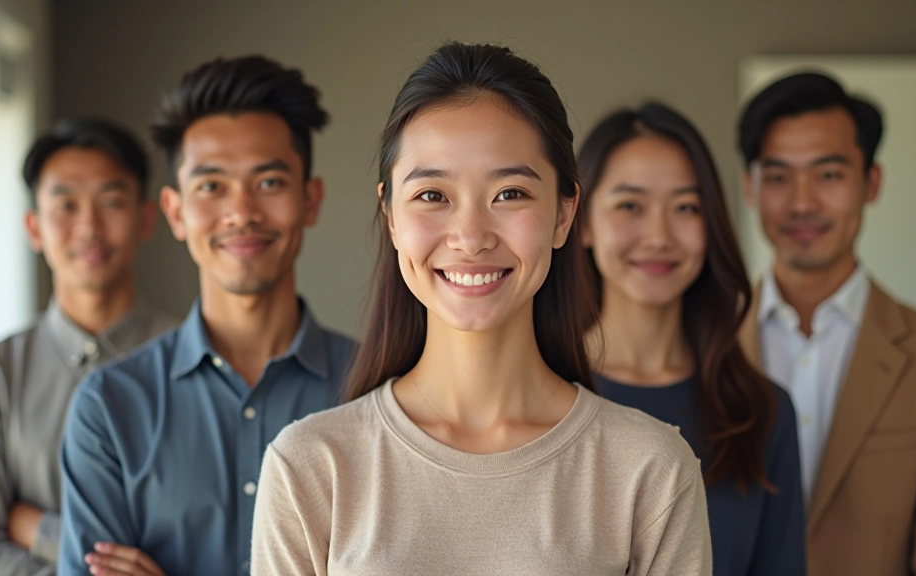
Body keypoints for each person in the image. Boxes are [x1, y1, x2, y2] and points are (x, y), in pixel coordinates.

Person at [250, 42, 712, 576]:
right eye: (432, 196)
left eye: (510, 193)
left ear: (564, 215)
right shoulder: (311, 466)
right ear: (391, 214)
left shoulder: (649, 468)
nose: (470, 238)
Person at [57, 56, 355, 576]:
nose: (241, 212)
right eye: (212, 187)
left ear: (310, 200)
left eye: (269, 183)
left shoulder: (377, 387)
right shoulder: (108, 410)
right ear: (175, 212)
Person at [737, 71, 916, 575]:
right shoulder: (703, 345)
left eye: (828, 175)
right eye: (778, 176)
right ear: (750, 188)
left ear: (871, 182)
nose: (802, 203)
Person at [578, 103, 805, 576]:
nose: (659, 236)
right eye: (630, 206)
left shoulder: (762, 413)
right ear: (580, 222)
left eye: (685, 207)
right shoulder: (533, 395)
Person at [0, 119, 177, 575]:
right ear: (34, 227)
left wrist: (42, 530)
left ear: (146, 218)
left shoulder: (195, 359)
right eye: (66, 205)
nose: (89, 226)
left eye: (111, 202)